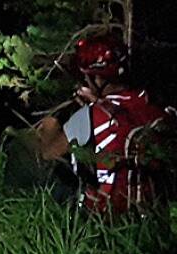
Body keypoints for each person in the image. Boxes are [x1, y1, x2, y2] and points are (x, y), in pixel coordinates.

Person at [40, 35, 169, 214]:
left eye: (86, 77)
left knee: (57, 174)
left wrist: (51, 125)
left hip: (106, 212)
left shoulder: (91, 114)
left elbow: (48, 154)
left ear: (98, 79)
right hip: (154, 210)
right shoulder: (152, 105)